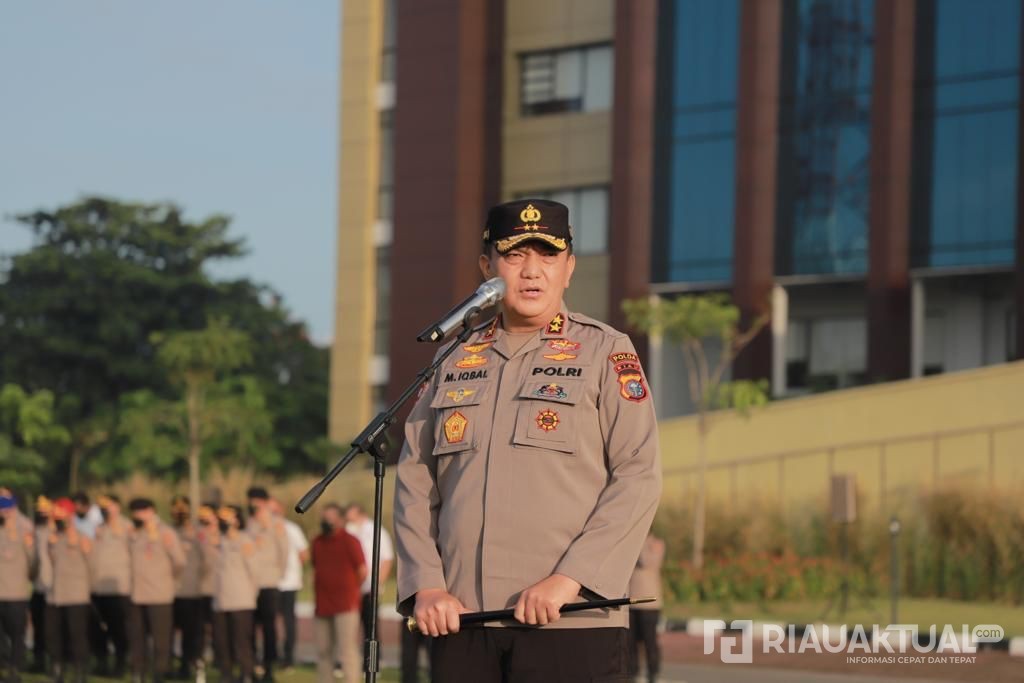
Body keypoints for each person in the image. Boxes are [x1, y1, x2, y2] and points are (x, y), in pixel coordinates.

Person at [394, 198, 662, 683]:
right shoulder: (452, 358)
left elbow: (638, 475)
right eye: (515, 256)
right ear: (487, 267)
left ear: (569, 268)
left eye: (548, 256)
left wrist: (570, 580)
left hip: (571, 620)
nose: (532, 272)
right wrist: (426, 586)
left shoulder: (606, 351)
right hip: (462, 620)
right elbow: (414, 481)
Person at [127, 498, 185, 683]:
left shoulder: (166, 532)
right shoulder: (135, 533)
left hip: (159, 594)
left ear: (151, 511)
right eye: (134, 512)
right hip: (137, 594)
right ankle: (138, 672)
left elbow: (179, 562)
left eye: (140, 511)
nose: (137, 515)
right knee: (137, 637)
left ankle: (159, 672)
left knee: (161, 639)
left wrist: (166, 579)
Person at [311, 503, 364, 683]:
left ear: (341, 520)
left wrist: (350, 590)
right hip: (322, 603)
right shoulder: (317, 542)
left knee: (347, 649)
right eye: (325, 517)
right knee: (323, 650)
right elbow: (315, 567)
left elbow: (362, 571)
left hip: (345, 604)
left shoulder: (350, 541)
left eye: (332, 517)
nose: (328, 521)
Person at [209, 506, 258, 683]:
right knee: (222, 642)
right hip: (220, 600)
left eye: (227, 518)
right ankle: (226, 674)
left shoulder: (245, 541)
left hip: (241, 600)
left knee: (241, 641)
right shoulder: (217, 541)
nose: (222, 522)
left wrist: (251, 595)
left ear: (236, 520)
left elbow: (254, 572)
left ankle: (246, 673)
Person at [46, 497, 92, 683]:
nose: (58, 519)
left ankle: (80, 671)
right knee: (52, 634)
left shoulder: (82, 538)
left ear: (70, 517)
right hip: (55, 594)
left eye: (61, 516)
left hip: (76, 594)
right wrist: (51, 542)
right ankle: (57, 669)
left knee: (77, 635)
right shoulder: (53, 538)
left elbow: (92, 565)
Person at [244, 487, 287, 682]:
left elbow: (284, 553)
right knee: (249, 628)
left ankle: (269, 667)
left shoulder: (276, 524)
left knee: (269, 628)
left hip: (268, 582)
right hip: (248, 584)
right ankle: (251, 666)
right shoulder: (246, 524)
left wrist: (278, 575)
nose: (254, 506)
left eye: (257, 502)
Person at [90, 495, 132, 678]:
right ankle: (102, 661)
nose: (105, 510)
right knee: (98, 629)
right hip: (98, 587)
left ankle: (121, 663)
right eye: (102, 507)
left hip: (119, 588)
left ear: (118, 507)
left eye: (109, 506)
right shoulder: (99, 529)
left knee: (119, 629)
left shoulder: (127, 527)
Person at [344, 503, 394, 642]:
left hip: (369, 586)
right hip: (350, 588)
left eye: (352, 518)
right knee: (349, 627)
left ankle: (374, 657)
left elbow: (387, 559)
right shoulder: (348, 530)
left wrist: (377, 584)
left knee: (370, 626)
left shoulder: (376, 531)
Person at [268, 499, 308, 670]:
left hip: (289, 583)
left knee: (288, 621)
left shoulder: (292, 529)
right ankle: (271, 656)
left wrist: (293, 570)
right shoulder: (264, 529)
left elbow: (304, 554)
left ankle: (288, 657)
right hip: (269, 582)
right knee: (268, 620)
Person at [170, 495, 207, 680]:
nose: (179, 511)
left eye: (183, 508)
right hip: (169, 591)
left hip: (191, 590)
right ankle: (168, 665)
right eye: (176, 508)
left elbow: (207, 560)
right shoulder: (167, 531)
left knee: (191, 632)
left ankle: (188, 663)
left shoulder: (197, 532)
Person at [0, 494, 35, 683]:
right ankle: (4, 665)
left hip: (17, 592)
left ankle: (14, 669)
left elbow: (33, 562)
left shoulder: (25, 530)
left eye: (7, 510)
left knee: (16, 634)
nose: (4, 514)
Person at [627, 533, 665, 683]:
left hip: (649, 603)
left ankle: (653, 672)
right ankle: (632, 672)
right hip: (630, 601)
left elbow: (646, 561)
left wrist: (638, 540)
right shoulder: (630, 540)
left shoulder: (656, 543)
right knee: (630, 642)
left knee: (650, 641)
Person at [29, 497, 51, 674]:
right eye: (39, 510)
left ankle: (58, 661)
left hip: (55, 588)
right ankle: (39, 660)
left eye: (45, 510)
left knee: (55, 629)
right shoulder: (32, 531)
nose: (42, 513)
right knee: (38, 628)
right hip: (37, 586)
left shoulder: (59, 531)